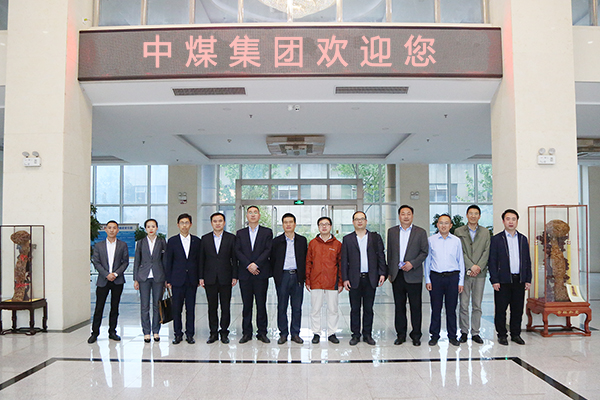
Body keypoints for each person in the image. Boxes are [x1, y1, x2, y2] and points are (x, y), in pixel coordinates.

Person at [341, 211, 387, 346]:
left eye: (362, 219)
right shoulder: (348, 239)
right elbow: (344, 260)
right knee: (355, 309)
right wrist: (345, 278)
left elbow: (381, 256)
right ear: (353, 222)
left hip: (370, 278)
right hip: (354, 279)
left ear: (366, 221)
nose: (359, 221)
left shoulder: (374, 237)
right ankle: (355, 335)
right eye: (357, 219)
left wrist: (382, 273)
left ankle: (367, 334)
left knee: (368, 308)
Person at [488, 209, 532, 346]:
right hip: (502, 281)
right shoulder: (496, 239)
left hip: (519, 280)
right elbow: (492, 261)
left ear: (517, 221)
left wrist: (528, 279)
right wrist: (494, 280)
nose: (511, 222)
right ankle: (502, 335)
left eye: (513, 219)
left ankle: (515, 334)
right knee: (501, 309)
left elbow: (527, 261)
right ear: (503, 221)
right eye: (508, 219)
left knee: (517, 309)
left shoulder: (523, 239)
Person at [387, 205, 429, 346]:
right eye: (403, 214)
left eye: (408, 214)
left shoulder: (421, 232)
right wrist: (389, 272)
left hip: (414, 275)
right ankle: (401, 334)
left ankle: (416, 335)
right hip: (397, 275)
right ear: (399, 216)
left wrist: (412, 263)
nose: (406, 216)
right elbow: (390, 253)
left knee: (415, 307)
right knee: (399, 307)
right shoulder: (392, 232)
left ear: (412, 216)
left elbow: (424, 252)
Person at [424, 214, 465, 347]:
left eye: (446, 223)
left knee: (451, 309)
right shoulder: (431, 240)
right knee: (436, 308)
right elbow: (427, 261)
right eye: (441, 223)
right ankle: (434, 335)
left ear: (451, 225)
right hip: (436, 277)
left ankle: (452, 336)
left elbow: (461, 261)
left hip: (453, 278)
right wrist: (428, 279)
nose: (443, 225)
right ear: (437, 225)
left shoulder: (456, 241)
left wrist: (461, 281)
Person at [235, 206, 273, 344]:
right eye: (250, 212)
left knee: (261, 304)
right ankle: (246, 333)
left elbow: (268, 250)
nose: (252, 215)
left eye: (255, 212)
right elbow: (237, 251)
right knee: (247, 305)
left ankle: (262, 333)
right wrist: (248, 265)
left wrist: (256, 264)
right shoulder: (240, 233)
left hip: (261, 273)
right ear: (246, 216)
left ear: (259, 215)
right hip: (245, 274)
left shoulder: (267, 232)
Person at [454, 205, 490, 344]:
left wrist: (478, 267)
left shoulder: (485, 232)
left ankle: (475, 332)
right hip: (464, 273)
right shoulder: (458, 231)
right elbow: (459, 251)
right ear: (467, 215)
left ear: (479, 216)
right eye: (471, 213)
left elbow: (486, 251)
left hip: (479, 274)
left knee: (477, 305)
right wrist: (471, 266)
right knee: (463, 304)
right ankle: (464, 331)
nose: (473, 216)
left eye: (476, 213)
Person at [89, 220, 130, 344]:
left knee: (115, 306)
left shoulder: (123, 245)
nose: (112, 230)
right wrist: (106, 274)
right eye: (109, 228)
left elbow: (125, 262)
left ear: (118, 230)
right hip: (103, 280)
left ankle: (112, 331)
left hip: (117, 281)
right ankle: (95, 333)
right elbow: (96, 262)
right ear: (105, 229)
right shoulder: (98, 245)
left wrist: (115, 274)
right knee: (99, 307)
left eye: (114, 228)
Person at [199, 212, 238, 344]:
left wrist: (235, 275)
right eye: (215, 221)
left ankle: (224, 332)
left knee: (225, 306)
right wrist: (201, 277)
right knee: (212, 307)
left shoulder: (231, 238)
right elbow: (201, 260)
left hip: (226, 277)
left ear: (224, 223)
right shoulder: (204, 239)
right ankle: (213, 333)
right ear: (211, 223)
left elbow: (235, 259)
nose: (217, 223)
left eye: (220, 221)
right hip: (209, 278)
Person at [165, 213, 201, 345]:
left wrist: (199, 278)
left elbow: (199, 261)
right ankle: (177, 334)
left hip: (192, 280)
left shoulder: (197, 241)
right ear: (178, 225)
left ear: (191, 224)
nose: (184, 225)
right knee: (177, 309)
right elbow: (168, 262)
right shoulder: (172, 241)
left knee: (190, 309)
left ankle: (190, 334)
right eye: (182, 223)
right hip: (177, 280)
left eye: (187, 223)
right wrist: (168, 279)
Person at [271, 213, 307, 344]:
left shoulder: (302, 240)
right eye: (285, 222)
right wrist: (276, 276)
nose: (288, 224)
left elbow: (305, 259)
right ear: (282, 225)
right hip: (283, 277)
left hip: (297, 276)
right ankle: (283, 333)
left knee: (297, 307)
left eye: (290, 222)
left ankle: (295, 333)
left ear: (295, 224)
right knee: (282, 306)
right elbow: (272, 260)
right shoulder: (276, 241)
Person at [306, 216, 343, 344]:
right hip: (316, 282)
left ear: (331, 227)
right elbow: (308, 263)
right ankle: (316, 332)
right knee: (315, 309)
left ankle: (332, 333)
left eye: (326, 224)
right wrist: (308, 280)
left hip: (332, 282)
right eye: (321, 224)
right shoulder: (312, 243)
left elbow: (340, 264)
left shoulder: (337, 244)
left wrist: (340, 282)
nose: (324, 226)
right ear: (318, 227)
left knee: (333, 309)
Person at [133, 218, 167, 343]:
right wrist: (135, 279)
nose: (151, 229)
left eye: (153, 226)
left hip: (158, 276)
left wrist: (166, 279)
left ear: (157, 228)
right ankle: (146, 332)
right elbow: (137, 261)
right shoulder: (141, 243)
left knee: (157, 305)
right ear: (145, 229)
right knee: (144, 305)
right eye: (148, 226)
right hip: (143, 277)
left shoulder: (162, 241)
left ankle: (156, 331)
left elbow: (165, 261)